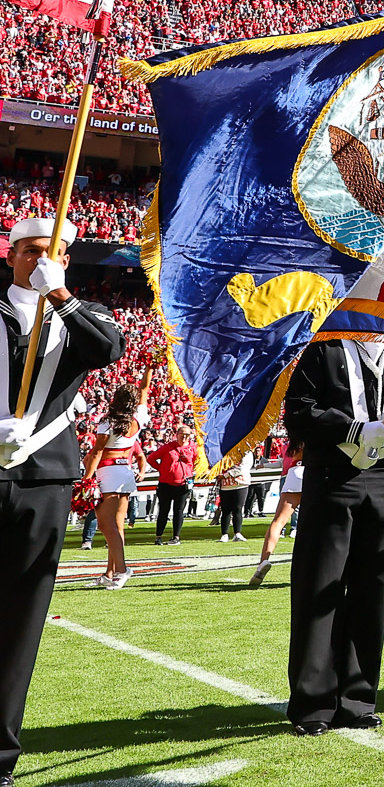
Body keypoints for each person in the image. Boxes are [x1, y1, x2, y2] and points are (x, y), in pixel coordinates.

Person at [0, 216, 126, 786]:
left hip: (44, 478)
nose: (37, 259)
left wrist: (59, 295)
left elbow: (108, 350)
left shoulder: (85, 314)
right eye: (28, 252)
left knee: (22, 617)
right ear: (11, 256)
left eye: (49, 252)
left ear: (66, 259)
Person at [283, 340, 384, 736]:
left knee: (373, 591)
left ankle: (357, 699)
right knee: (319, 588)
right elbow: (298, 412)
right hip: (332, 477)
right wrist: (352, 428)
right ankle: (313, 703)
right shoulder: (325, 350)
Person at [81, 368, 153, 587]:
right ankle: (109, 573)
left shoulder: (107, 422)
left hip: (108, 473)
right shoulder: (138, 418)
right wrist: (149, 368)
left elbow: (97, 452)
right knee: (117, 525)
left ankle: (122, 570)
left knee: (105, 524)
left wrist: (88, 477)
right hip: (125, 472)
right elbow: (145, 389)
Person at [248, 440, 304, 587]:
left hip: (294, 472)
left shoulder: (293, 438)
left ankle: (263, 562)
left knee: (278, 522)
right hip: (314, 473)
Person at [147, 424, 197, 545]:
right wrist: (162, 469)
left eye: (187, 435)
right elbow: (151, 458)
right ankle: (158, 536)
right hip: (166, 484)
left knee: (179, 510)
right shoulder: (168, 447)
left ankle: (176, 537)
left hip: (183, 484)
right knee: (163, 510)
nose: (184, 437)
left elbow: (198, 461)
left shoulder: (193, 448)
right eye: (182, 434)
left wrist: (190, 471)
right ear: (177, 435)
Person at [215, 443, 252, 543]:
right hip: (225, 486)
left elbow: (243, 468)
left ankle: (237, 533)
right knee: (225, 510)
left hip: (240, 484)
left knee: (237, 509)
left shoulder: (246, 451)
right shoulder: (224, 450)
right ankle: (224, 534)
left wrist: (226, 475)